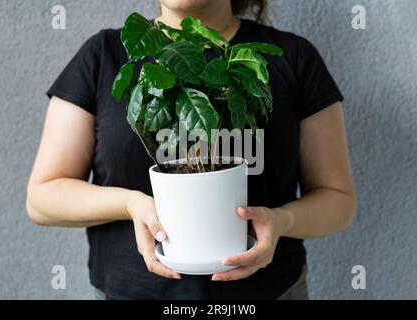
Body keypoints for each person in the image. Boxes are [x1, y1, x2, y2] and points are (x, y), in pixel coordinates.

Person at [27, 0, 356, 300]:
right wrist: (131, 204)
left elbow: (338, 199)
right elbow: (43, 199)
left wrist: (282, 220)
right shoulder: (105, 55)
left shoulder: (291, 57)